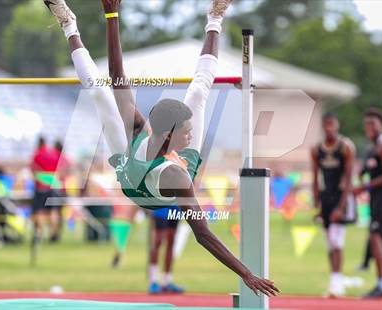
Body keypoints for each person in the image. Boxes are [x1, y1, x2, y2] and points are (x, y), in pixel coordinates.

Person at [44, 0, 278, 297]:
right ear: (168, 133)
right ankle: (69, 25)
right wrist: (111, 16)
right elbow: (118, 77)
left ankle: (214, 19)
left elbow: (202, 232)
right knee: (100, 93)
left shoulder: (176, 166)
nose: (192, 134)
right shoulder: (140, 130)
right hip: (134, 177)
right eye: (187, 131)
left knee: (198, 90)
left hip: (152, 180)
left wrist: (112, 15)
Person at [311, 113, 356, 297]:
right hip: (326, 197)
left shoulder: (345, 147)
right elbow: (315, 177)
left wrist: (342, 206)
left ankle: (336, 281)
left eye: (333, 125)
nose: (330, 129)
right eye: (327, 125)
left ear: (337, 126)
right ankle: (336, 280)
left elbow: (348, 178)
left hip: (341, 196)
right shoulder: (316, 150)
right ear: (323, 127)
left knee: (337, 240)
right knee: (330, 242)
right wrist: (318, 205)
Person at [353, 108, 382, 298]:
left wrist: (364, 187)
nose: (369, 127)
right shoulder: (371, 148)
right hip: (377, 199)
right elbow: (363, 171)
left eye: (373, 124)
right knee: (381, 240)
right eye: (366, 124)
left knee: (378, 240)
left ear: (381, 125)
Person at [149, 206, 183, 294]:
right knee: (157, 241)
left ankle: (167, 281)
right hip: (161, 204)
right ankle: (153, 281)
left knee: (171, 241)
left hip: (175, 204)